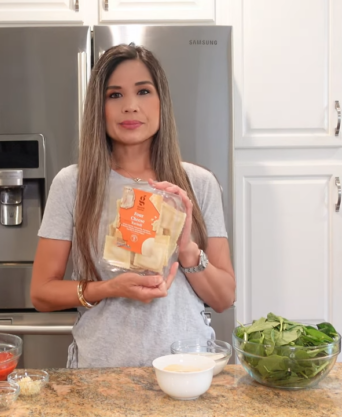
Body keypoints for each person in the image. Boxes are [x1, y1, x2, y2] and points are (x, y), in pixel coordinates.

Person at [30, 44, 235, 368]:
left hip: (188, 369)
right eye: (115, 95)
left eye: (143, 91)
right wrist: (109, 288)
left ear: (161, 101)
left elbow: (224, 298)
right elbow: (41, 292)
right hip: (101, 372)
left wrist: (186, 250)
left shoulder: (198, 183)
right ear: (99, 107)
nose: (130, 106)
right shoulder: (72, 184)